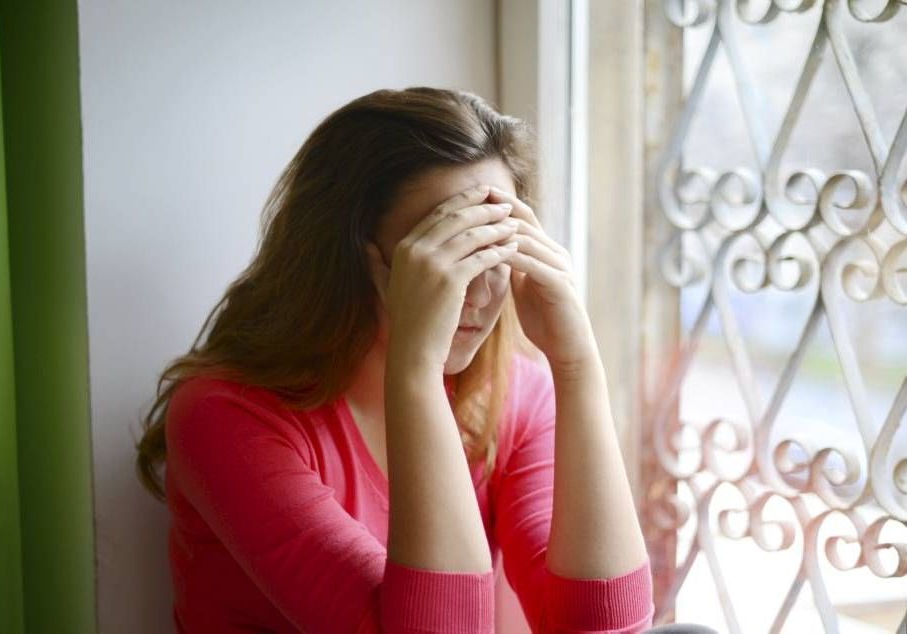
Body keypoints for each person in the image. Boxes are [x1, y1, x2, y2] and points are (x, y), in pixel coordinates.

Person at [135, 87, 655, 633]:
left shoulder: (516, 395)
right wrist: (417, 372)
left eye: (493, 247)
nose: (477, 293)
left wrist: (577, 367)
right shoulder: (223, 417)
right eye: (448, 252)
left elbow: (603, 628)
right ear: (355, 260)